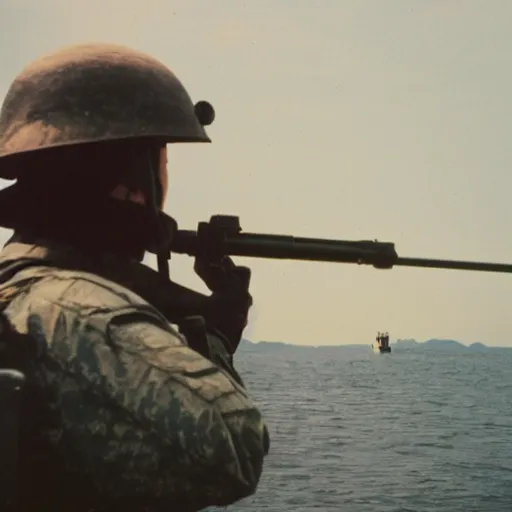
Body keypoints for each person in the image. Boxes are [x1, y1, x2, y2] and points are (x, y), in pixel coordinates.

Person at [0, 42, 269, 511]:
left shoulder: (18, 288)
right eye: (161, 158)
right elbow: (235, 445)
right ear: (129, 176)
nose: (165, 176)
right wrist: (218, 338)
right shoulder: (74, 310)